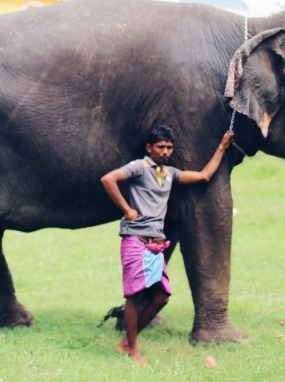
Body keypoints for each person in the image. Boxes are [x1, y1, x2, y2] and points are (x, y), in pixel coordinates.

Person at [100, 125, 235, 366]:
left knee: (161, 297)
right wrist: (127, 209)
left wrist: (222, 147)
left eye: (169, 147)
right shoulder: (139, 167)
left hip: (156, 245)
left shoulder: (169, 173)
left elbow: (204, 175)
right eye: (161, 147)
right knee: (135, 296)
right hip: (136, 240)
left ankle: (127, 342)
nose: (165, 152)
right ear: (149, 148)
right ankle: (132, 350)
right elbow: (108, 179)